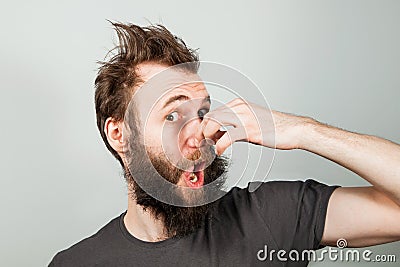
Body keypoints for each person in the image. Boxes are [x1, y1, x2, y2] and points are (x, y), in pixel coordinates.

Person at [49, 22, 400, 267]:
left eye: (201, 111)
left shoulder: (270, 216)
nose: (199, 132)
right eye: (172, 116)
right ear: (119, 134)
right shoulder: (75, 264)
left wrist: (304, 131)